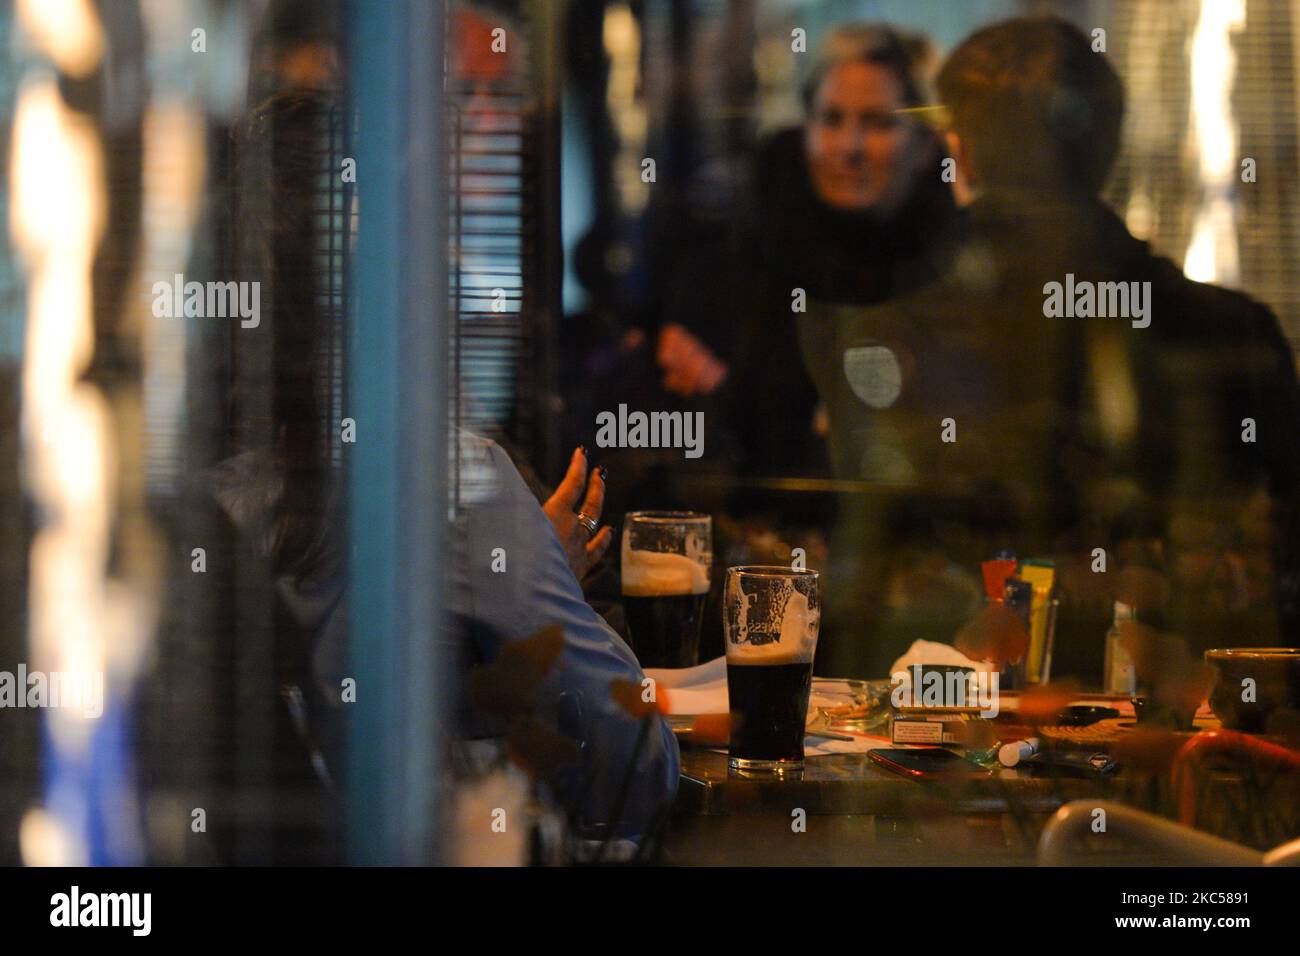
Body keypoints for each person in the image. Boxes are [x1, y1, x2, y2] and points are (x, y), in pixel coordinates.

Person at [800, 17, 1300, 681]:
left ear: (962, 154)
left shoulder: (877, 344)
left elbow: (859, 606)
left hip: (939, 743)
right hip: (1186, 745)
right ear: (1109, 148)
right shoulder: (1239, 334)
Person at [661, 23, 958, 479]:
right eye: (831, 119)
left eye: (878, 122)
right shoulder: (734, 266)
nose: (849, 146)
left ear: (924, 145)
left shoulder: (958, 264)